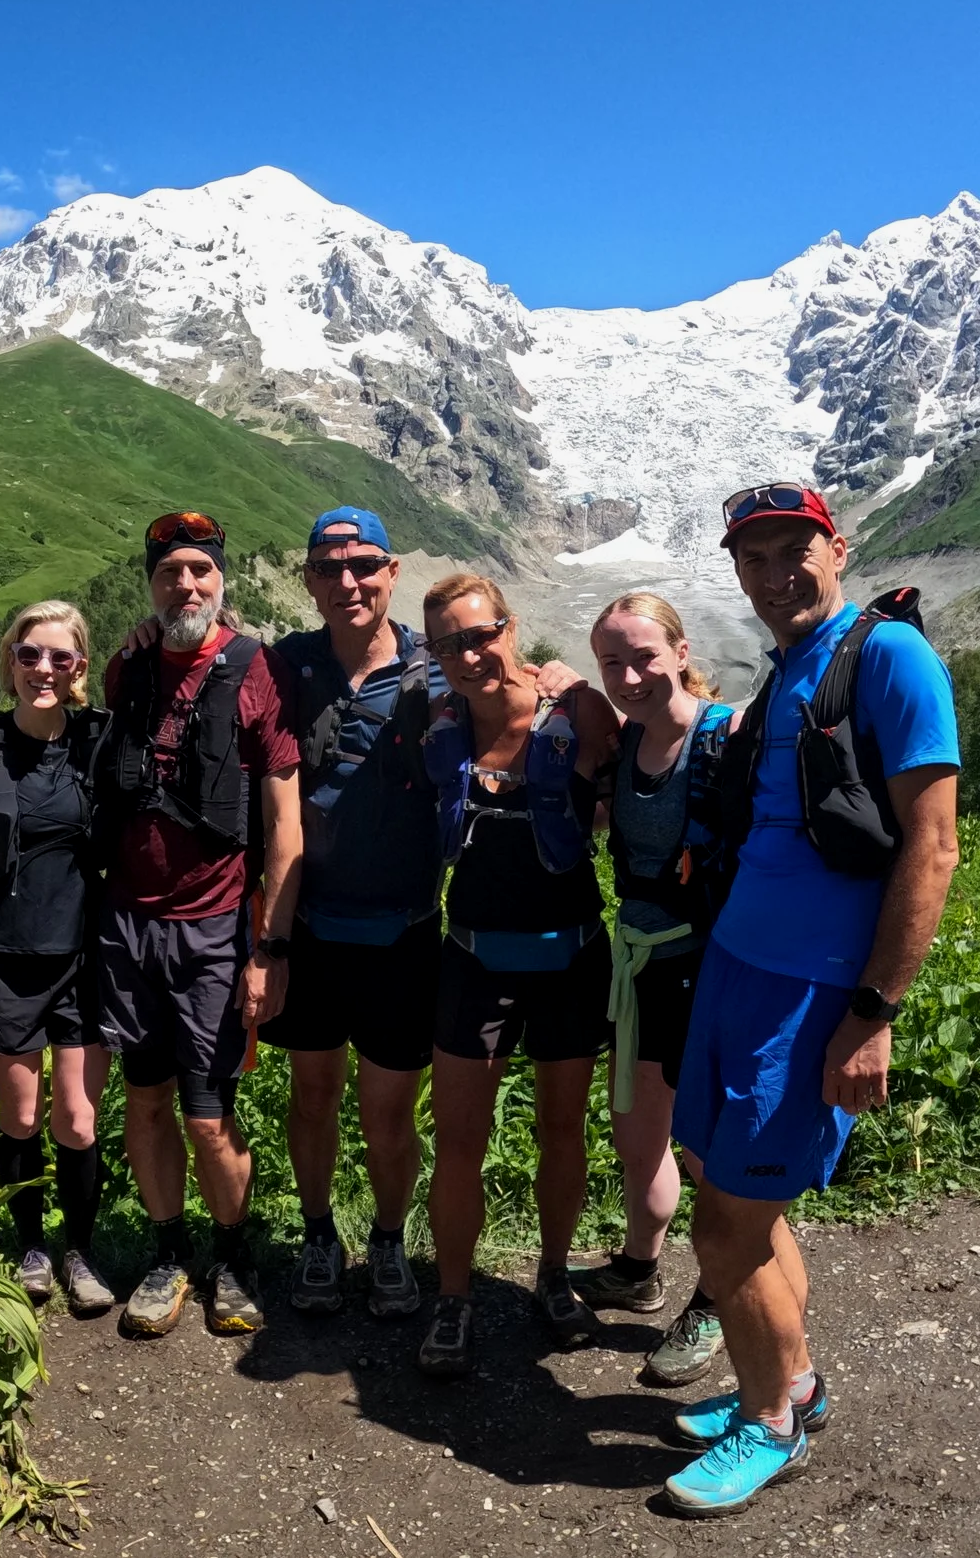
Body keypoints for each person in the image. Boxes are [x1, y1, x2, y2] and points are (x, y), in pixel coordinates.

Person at [658, 484, 960, 1518]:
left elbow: (933, 844)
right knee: (735, 1191)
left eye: (795, 549)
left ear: (838, 549)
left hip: (809, 992)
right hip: (739, 968)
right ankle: (788, 1381)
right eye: (754, 557)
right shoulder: (795, 661)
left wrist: (872, 1011)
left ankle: (768, 1427)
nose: (775, 571)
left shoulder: (888, 655)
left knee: (725, 1225)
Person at [96, 511, 304, 1339]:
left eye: (201, 572)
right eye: (170, 573)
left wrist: (272, 946)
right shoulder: (129, 666)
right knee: (143, 1101)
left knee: (209, 1114)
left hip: (215, 926)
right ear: (150, 584)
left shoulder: (259, 671)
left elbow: (285, 824)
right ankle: (167, 1250)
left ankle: (232, 1257)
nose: (187, 585)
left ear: (224, 580)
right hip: (127, 925)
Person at [414, 571, 619, 1378]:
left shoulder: (576, 713)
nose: (470, 654)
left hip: (571, 952)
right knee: (461, 1141)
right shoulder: (438, 726)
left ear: (510, 626)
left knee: (561, 1131)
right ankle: (455, 1298)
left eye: (480, 634)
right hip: (472, 955)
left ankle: (555, 1275)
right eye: (448, 644)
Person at [259, 508, 445, 1321]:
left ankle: (391, 1239)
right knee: (312, 1092)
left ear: (392, 571)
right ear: (308, 580)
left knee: (388, 1110)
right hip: (310, 927)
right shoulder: (285, 666)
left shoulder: (436, 671)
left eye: (364, 565)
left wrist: (561, 682)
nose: (348, 583)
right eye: (329, 569)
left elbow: (514, 704)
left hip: (404, 928)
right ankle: (316, 1234)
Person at [575, 592, 747, 1388]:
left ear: (681, 652)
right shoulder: (623, 743)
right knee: (639, 1137)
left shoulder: (727, 737)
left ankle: (717, 1298)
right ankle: (641, 1269)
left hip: (710, 967)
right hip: (639, 962)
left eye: (644, 656)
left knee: (711, 1155)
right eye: (612, 661)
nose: (630, 674)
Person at [0, 600, 116, 1319]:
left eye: (61, 657)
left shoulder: (100, 742)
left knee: (77, 1122)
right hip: (3, 955)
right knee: (20, 1117)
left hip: (84, 955)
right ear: (9, 662)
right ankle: (31, 1248)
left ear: (81, 667)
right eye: (29, 655)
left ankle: (80, 1248)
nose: (43, 669)